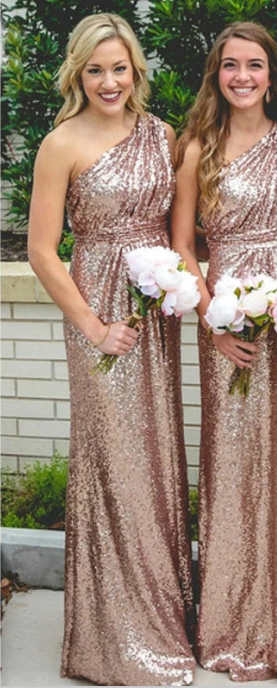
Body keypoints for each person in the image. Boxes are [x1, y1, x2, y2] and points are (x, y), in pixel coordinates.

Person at [171, 21, 277, 685]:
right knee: (236, 461)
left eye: (255, 66)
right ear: (216, 75)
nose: (242, 77)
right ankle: (234, 619)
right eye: (231, 67)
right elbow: (184, 245)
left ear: (272, 75)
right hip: (229, 315)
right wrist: (213, 320)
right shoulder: (197, 148)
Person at [28, 13, 196, 686]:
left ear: (136, 72)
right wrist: (94, 328)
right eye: (95, 69)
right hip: (98, 305)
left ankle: (157, 618)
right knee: (114, 460)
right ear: (78, 73)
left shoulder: (162, 136)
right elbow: (42, 251)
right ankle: (112, 637)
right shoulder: (60, 143)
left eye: (119, 68)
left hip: (155, 309)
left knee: (155, 459)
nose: (108, 81)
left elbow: (188, 227)